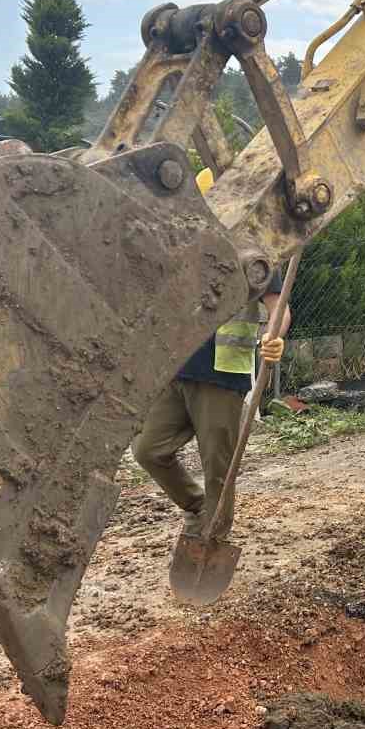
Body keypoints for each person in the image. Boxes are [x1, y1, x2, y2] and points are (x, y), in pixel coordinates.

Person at [132, 168, 288, 540]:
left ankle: (215, 534)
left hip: (221, 372)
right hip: (178, 368)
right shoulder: (181, 247)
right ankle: (196, 506)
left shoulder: (253, 253)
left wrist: (273, 335)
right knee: (148, 450)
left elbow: (278, 306)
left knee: (218, 466)